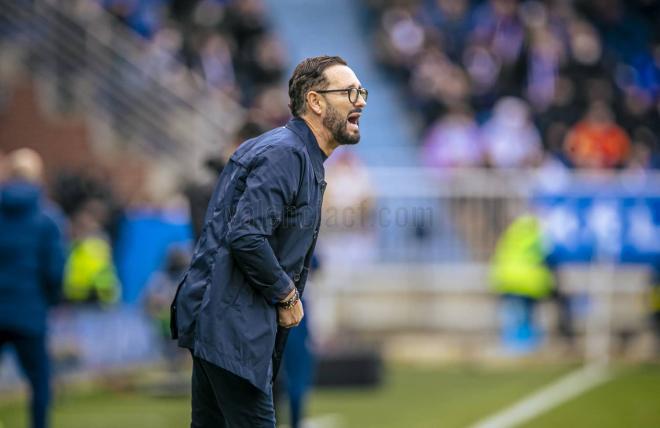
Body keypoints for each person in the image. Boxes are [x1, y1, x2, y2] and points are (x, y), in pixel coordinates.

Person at [171, 55, 367, 427]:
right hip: (232, 322)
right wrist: (287, 294)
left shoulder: (295, 153)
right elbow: (246, 234)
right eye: (349, 92)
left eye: (362, 92)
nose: (359, 101)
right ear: (315, 101)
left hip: (223, 318)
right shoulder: (287, 153)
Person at [0, 148, 66, 428]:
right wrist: (49, 301)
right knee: (39, 382)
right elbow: (54, 269)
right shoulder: (47, 217)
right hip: (30, 311)